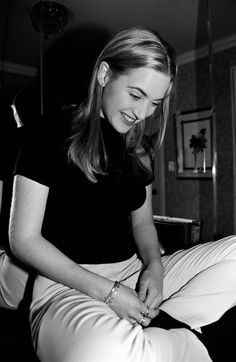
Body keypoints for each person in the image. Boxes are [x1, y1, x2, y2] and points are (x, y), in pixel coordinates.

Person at [7, 26, 236, 362]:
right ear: (104, 74)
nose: (143, 114)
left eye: (155, 103)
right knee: (105, 353)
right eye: (136, 95)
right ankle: (183, 341)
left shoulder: (138, 152)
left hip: (131, 270)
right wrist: (110, 294)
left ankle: (158, 332)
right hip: (65, 287)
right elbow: (23, 239)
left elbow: (143, 225)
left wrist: (155, 267)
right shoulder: (46, 133)